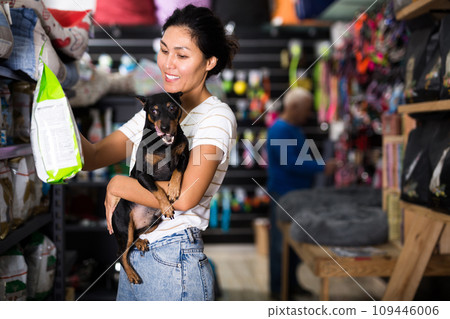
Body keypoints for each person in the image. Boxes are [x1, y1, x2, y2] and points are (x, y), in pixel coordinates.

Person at [80, 5, 238, 301]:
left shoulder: (215, 117)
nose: (167, 64)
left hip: (173, 263)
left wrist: (118, 184)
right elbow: (93, 156)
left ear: (209, 62)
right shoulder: (153, 112)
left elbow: (187, 195)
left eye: (181, 55)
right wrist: (54, 109)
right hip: (137, 253)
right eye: (164, 50)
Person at [266, 87, 336, 299]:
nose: (309, 114)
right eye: (306, 109)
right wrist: (321, 166)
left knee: (294, 245)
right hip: (284, 196)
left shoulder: (294, 129)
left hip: (297, 196)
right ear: (293, 107)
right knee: (280, 245)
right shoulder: (279, 130)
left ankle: (291, 284)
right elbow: (290, 162)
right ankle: (279, 290)